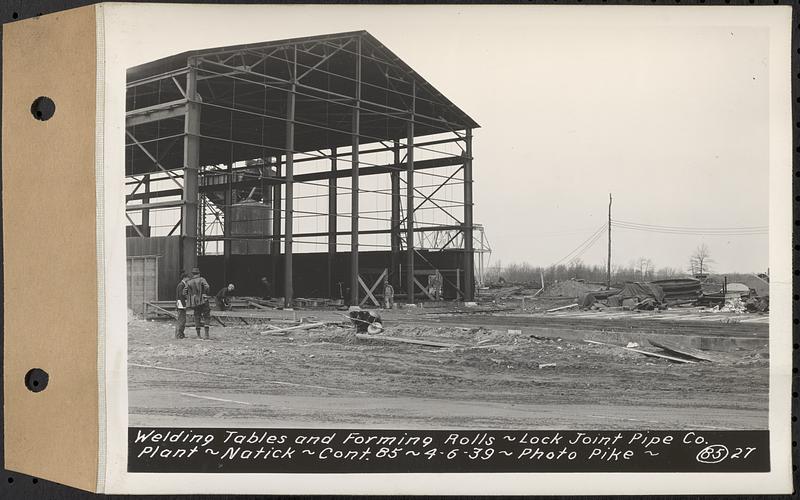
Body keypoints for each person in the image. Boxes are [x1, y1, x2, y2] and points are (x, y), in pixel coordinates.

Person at [186, 267, 211, 339]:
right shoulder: (202, 279)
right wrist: (205, 293)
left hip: (195, 302)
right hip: (203, 300)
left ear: (192, 274)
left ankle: (198, 335)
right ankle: (206, 335)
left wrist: (191, 298)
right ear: (199, 273)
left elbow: (185, 292)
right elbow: (207, 287)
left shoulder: (189, 282)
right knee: (206, 316)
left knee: (197, 316)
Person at [174, 271, 190, 339]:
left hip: (180, 304)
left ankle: (180, 334)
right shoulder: (181, 285)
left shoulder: (182, 285)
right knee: (181, 320)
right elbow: (181, 296)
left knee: (182, 320)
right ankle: (178, 335)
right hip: (181, 304)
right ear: (185, 278)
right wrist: (184, 305)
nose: (189, 279)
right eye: (188, 277)